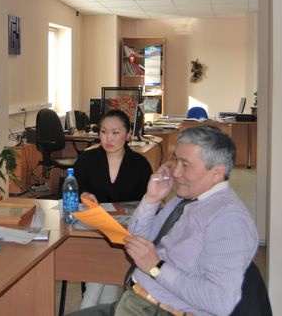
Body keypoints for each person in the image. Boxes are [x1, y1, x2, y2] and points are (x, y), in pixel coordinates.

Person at [74, 125, 258, 316]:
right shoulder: (184, 198)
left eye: (185, 164)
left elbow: (219, 301)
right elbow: (136, 241)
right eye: (175, 160)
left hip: (160, 311)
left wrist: (156, 267)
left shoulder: (228, 220)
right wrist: (151, 199)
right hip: (134, 301)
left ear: (217, 173)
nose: (175, 172)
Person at [74, 109, 153, 309]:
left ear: (128, 134)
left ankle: (88, 308)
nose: (108, 138)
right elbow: (73, 190)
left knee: (103, 269)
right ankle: (95, 308)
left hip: (126, 236)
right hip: (92, 233)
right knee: (102, 266)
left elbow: (148, 203)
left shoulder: (140, 164)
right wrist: (83, 195)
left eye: (115, 132)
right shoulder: (86, 160)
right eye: (103, 132)